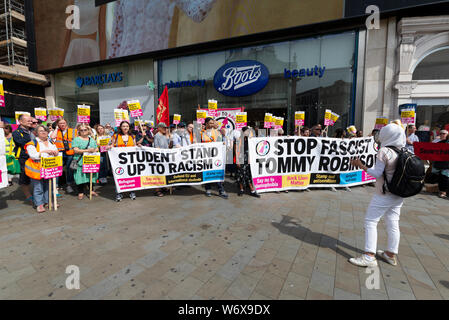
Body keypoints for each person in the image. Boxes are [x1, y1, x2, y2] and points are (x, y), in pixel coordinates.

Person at [348, 123, 406, 267]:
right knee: (393, 222)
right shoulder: (404, 150)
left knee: (371, 221)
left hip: (384, 193)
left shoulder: (384, 151)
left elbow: (376, 173)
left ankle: (369, 256)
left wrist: (361, 165)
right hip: (399, 193)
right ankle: (390, 254)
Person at [24, 125, 59, 213]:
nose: (43, 132)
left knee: (49, 185)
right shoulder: (32, 143)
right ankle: (39, 204)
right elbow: (33, 155)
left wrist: (55, 152)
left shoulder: (51, 142)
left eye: (45, 130)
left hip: (49, 167)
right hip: (37, 168)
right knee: (38, 187)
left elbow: (56, 151)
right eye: (40, 131)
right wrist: (44, 152)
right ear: (36, 133)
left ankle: (48, 201)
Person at [109, 121, 138, 201]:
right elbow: (111, 145)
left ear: (129, 128)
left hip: (130, 160)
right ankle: (119, 193)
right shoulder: (115, 136)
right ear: (120, 127)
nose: (125, 128)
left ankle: (132, 191)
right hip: (118, 161)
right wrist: (110, 146)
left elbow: (134, 146)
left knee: (131, 175)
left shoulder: (132, 136)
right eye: (123, 126)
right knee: (119, 175)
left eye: (127, 126)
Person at [201, 118, 228, 199]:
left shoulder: (217, 132)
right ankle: (208, 189)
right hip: (205, 156)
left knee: (217, 172)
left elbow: (221, 143)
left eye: (213, 123)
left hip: (216, 156)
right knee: (207, 172)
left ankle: (221, 190)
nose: (212, 124)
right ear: (206, 124)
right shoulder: (201, 133)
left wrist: (223, 138)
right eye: (210, 123)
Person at [72, 124, 99, 200]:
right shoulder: (76, 139)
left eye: (85, 130)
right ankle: (80, 192)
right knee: (80, 177)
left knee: (91, 176)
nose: (83, 131)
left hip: (91, 161)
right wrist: (87, 151)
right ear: (79, 131)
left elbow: (96, 148)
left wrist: (93, 150)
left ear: (88, 131)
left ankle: (91, 190)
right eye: (81, 130)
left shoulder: (91, 139)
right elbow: (76, 150)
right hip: (80, 161)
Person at [50, 118, 77, 193]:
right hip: (59, 153)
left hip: (70, 153)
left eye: (63, 123)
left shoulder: (73, 131)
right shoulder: (56, 131)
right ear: (58, 125)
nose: (62, 125)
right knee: (57, 169)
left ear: (66, 123)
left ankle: (69, 185)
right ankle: (55, 186)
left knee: (69, 169)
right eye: (60, 123)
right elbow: (52, 138)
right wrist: (56, 129)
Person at [12, 114, 33, 202]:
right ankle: (28, 196)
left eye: (31, 120)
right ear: (20, 121)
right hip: (23, 157)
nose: (30, 122)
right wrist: (33, 141)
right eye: (28, 120)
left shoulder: (33, 131)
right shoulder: (16, 132)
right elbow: (22, 142)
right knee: (24, 176)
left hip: (34, 156)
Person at [235, 127, 260, 198]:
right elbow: (236, 150)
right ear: (243, 132)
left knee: (248, 174)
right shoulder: (239, 139)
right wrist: (237, 161)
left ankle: (252, 190)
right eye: (247, 131)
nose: (248, 132)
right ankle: (241, 189)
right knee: (241, 174)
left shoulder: (249, 139)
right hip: (241, 158)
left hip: (248, 159)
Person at [153, 122, 172, 197]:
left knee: (164, 172)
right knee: (158, 173)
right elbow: (156, 147)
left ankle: (163, 186)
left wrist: (169, 138)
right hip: (159, 157)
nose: (165, 129)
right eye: (164, 128)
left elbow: (168, 146)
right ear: (159, 128)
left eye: (166, 128)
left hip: (165, 156)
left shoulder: (164, 136)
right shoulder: (157, 136)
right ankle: (157, 190)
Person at [431, 130, 449, 198]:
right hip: (442, 163)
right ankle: (442, 191)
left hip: (446, 164)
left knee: (445, 178)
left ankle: (443, 191)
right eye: (441, 133)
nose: (442, 135)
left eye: (444, 133)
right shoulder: (440, 143)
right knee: (443, 177)